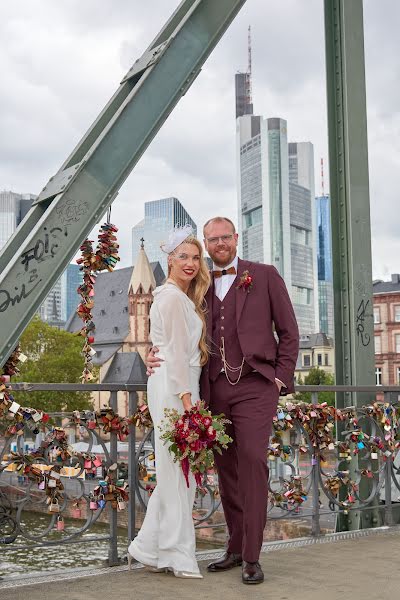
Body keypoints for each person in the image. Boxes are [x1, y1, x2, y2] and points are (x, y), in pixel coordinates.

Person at [148, 216, 299, 585]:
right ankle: (233, 548)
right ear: (205, 243)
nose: (219, 244)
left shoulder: (264, 275)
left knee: (252, 462)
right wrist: (150, 356)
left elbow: (290, 331)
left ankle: (251, 556)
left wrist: (279, 378)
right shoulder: (195, 286)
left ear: (235, 238)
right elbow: (168, 331)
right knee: (226, 469)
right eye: (211, 239)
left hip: (255, 386)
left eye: (224, 237)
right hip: (213, 389)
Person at [128, 225, 210, 579]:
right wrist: (189, 402)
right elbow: (175, 353)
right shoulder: (173, 297)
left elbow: (170, 347)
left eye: (195, 257)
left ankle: (150, 546)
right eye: (183, 257)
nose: (190, 263)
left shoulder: (175, 295)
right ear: (170, 260)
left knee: (176, 472)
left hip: (176, 384)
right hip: (178, 387)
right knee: (179, 474)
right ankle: (177, 553)